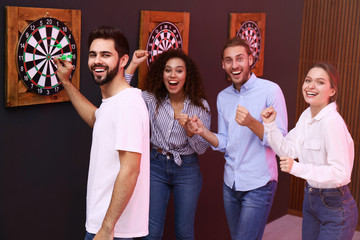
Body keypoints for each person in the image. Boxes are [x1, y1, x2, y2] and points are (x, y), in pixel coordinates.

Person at [53, 26, 150, 240]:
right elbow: (98, 120)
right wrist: (66, 82)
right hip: (104, 224)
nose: (97, 61)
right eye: (93, 54)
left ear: (123, 60)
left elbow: (130, 170)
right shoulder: (113, 103)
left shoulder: (127, 105)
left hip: (114, 231)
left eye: (106, 55)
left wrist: (106, 229)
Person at [186, 36, 288, 240]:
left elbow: (281, 144)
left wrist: (252, 122)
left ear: (251, 59)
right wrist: (202, 131)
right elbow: (225, 142)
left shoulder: (271, 90)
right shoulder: (223, 97)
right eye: (229, 60)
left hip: (259, 183)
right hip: (230, 184)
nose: (235, 65)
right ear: (223, 65)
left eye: (240, 58)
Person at [261, 62, 358, 240]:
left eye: (320, 82)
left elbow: (341, 173)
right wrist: (270, 125)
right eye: (308, 80)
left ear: (332, 91)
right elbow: (287, 150)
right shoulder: (306, 116)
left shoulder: (331, 122)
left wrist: (297, 168)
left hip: (335, 205)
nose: (311, 86)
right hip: (311, 198)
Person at [125, 48, 211, 240]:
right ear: (161, 74)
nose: (173, 75)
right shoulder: (150, 98)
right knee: (151, 231)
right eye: (168, 70)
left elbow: (202, 148)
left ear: (187, 75)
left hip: (187, 169)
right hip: (155, 165)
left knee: (184, 232)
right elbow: (122, 93)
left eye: (179, 70)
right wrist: (132, 65)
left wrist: (190, 131)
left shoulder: (201, 106)